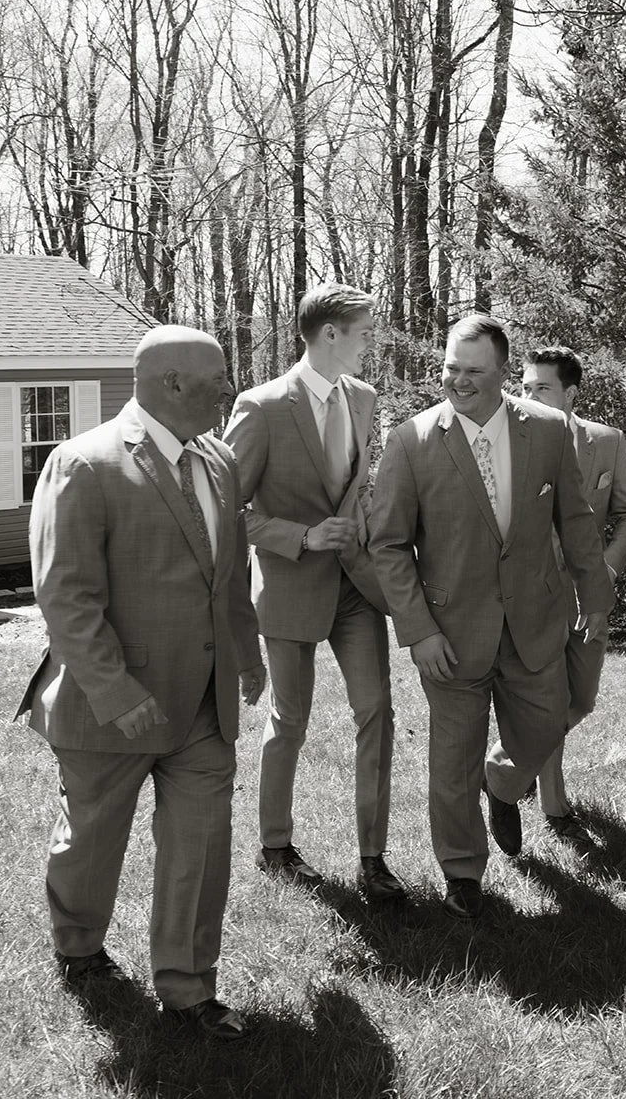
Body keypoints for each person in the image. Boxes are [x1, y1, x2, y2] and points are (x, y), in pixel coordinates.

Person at [17, 325, 266, 1041]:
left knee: (201, 843)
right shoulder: (84, 464)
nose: (229, 387)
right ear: (172, 384)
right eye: (218, 377)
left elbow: (229, 579)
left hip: (204, 703)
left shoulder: (219, 460)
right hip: (112, 706)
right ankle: (80, 946)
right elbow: (66, 596)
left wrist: (247, 655)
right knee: (92, 838)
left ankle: (189, 987)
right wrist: (114, 688)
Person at [369, 315, 615, 920]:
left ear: (504, 371)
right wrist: (418, 629)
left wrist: (596, 596)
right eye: (451, 368)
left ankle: (502, 782)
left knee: (545, 728)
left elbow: (576, 521)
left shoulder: (550, 430)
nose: (459, 381)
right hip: (449, 635)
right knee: (452, 761)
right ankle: (462, 875)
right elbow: (388, 545)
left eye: (474, 372)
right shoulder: (411, 441)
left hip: (535, 621)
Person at [223, 285, 403, 903]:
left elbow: (354, 489)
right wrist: (300, 535)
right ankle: (275, 845)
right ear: (330, 334)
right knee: (290, 720)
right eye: (363, 332)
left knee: (376, 711)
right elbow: (228, 512)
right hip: (289, 587)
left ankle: (373, 859)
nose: (370, 342)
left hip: (354, 585)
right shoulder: (261, 406)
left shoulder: (365, 399)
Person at [519, 346, 626, 850]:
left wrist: (607, 569)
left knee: (583, 701)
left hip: (586, 594)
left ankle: (510, 763)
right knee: (550, 701)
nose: (528, 397)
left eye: (541, 389)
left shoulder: (606, 443)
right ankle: (555, 806)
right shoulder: (513, 439)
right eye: (524, 388)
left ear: (571, 394)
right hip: (526, 594)